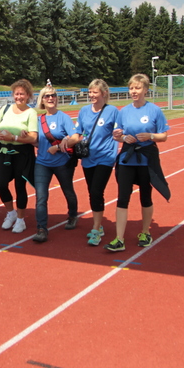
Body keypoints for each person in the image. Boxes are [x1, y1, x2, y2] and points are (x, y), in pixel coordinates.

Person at [108, 73, 170, 252]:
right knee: (122, 197)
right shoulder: (124, 111)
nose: (133, 91)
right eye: (131, 88)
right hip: (127, 158)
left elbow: (164, 136)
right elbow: (117, 135)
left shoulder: (154, 110)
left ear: (146, 90)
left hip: (146, 159)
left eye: (137, 88)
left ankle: (145, 232)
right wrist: (122, 137)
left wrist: (150, 136)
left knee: (145, 196)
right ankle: (119, 239)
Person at [67, 79, 119, 247]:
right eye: (90, 92)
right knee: (92, 192)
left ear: (104, 93)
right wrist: (66, 141)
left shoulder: (112, 111)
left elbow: (119, 131)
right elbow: (78, 133)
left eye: (95, 92)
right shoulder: (83, 111)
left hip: (105, 157)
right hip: (88, 157)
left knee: (97, 191)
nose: (91, 95)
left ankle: (96, 229)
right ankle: (99, 225)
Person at [0, 79, 38, 234]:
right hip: (4, 152)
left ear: (28, 95)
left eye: (22, 94)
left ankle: (21, 220)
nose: (19, 97)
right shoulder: (6, 108)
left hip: (22, 154)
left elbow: (33, 137)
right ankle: (11, 213)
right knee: (1, 184)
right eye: (16, 94)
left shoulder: (31, 112)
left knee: (19, 186)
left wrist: (15, 137)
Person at [32, 85, 78, 243]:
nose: (50, 98)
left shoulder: (64, 117)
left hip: (62, 162)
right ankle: (41, 228)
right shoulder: (38, 120)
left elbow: (75, 138)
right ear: (42, 100)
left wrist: (58, 147)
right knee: (41, 196)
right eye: (47, 96)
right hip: (42, 163)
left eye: (53, 95)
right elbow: (36, 141)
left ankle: (72, 215)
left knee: (68, 191)